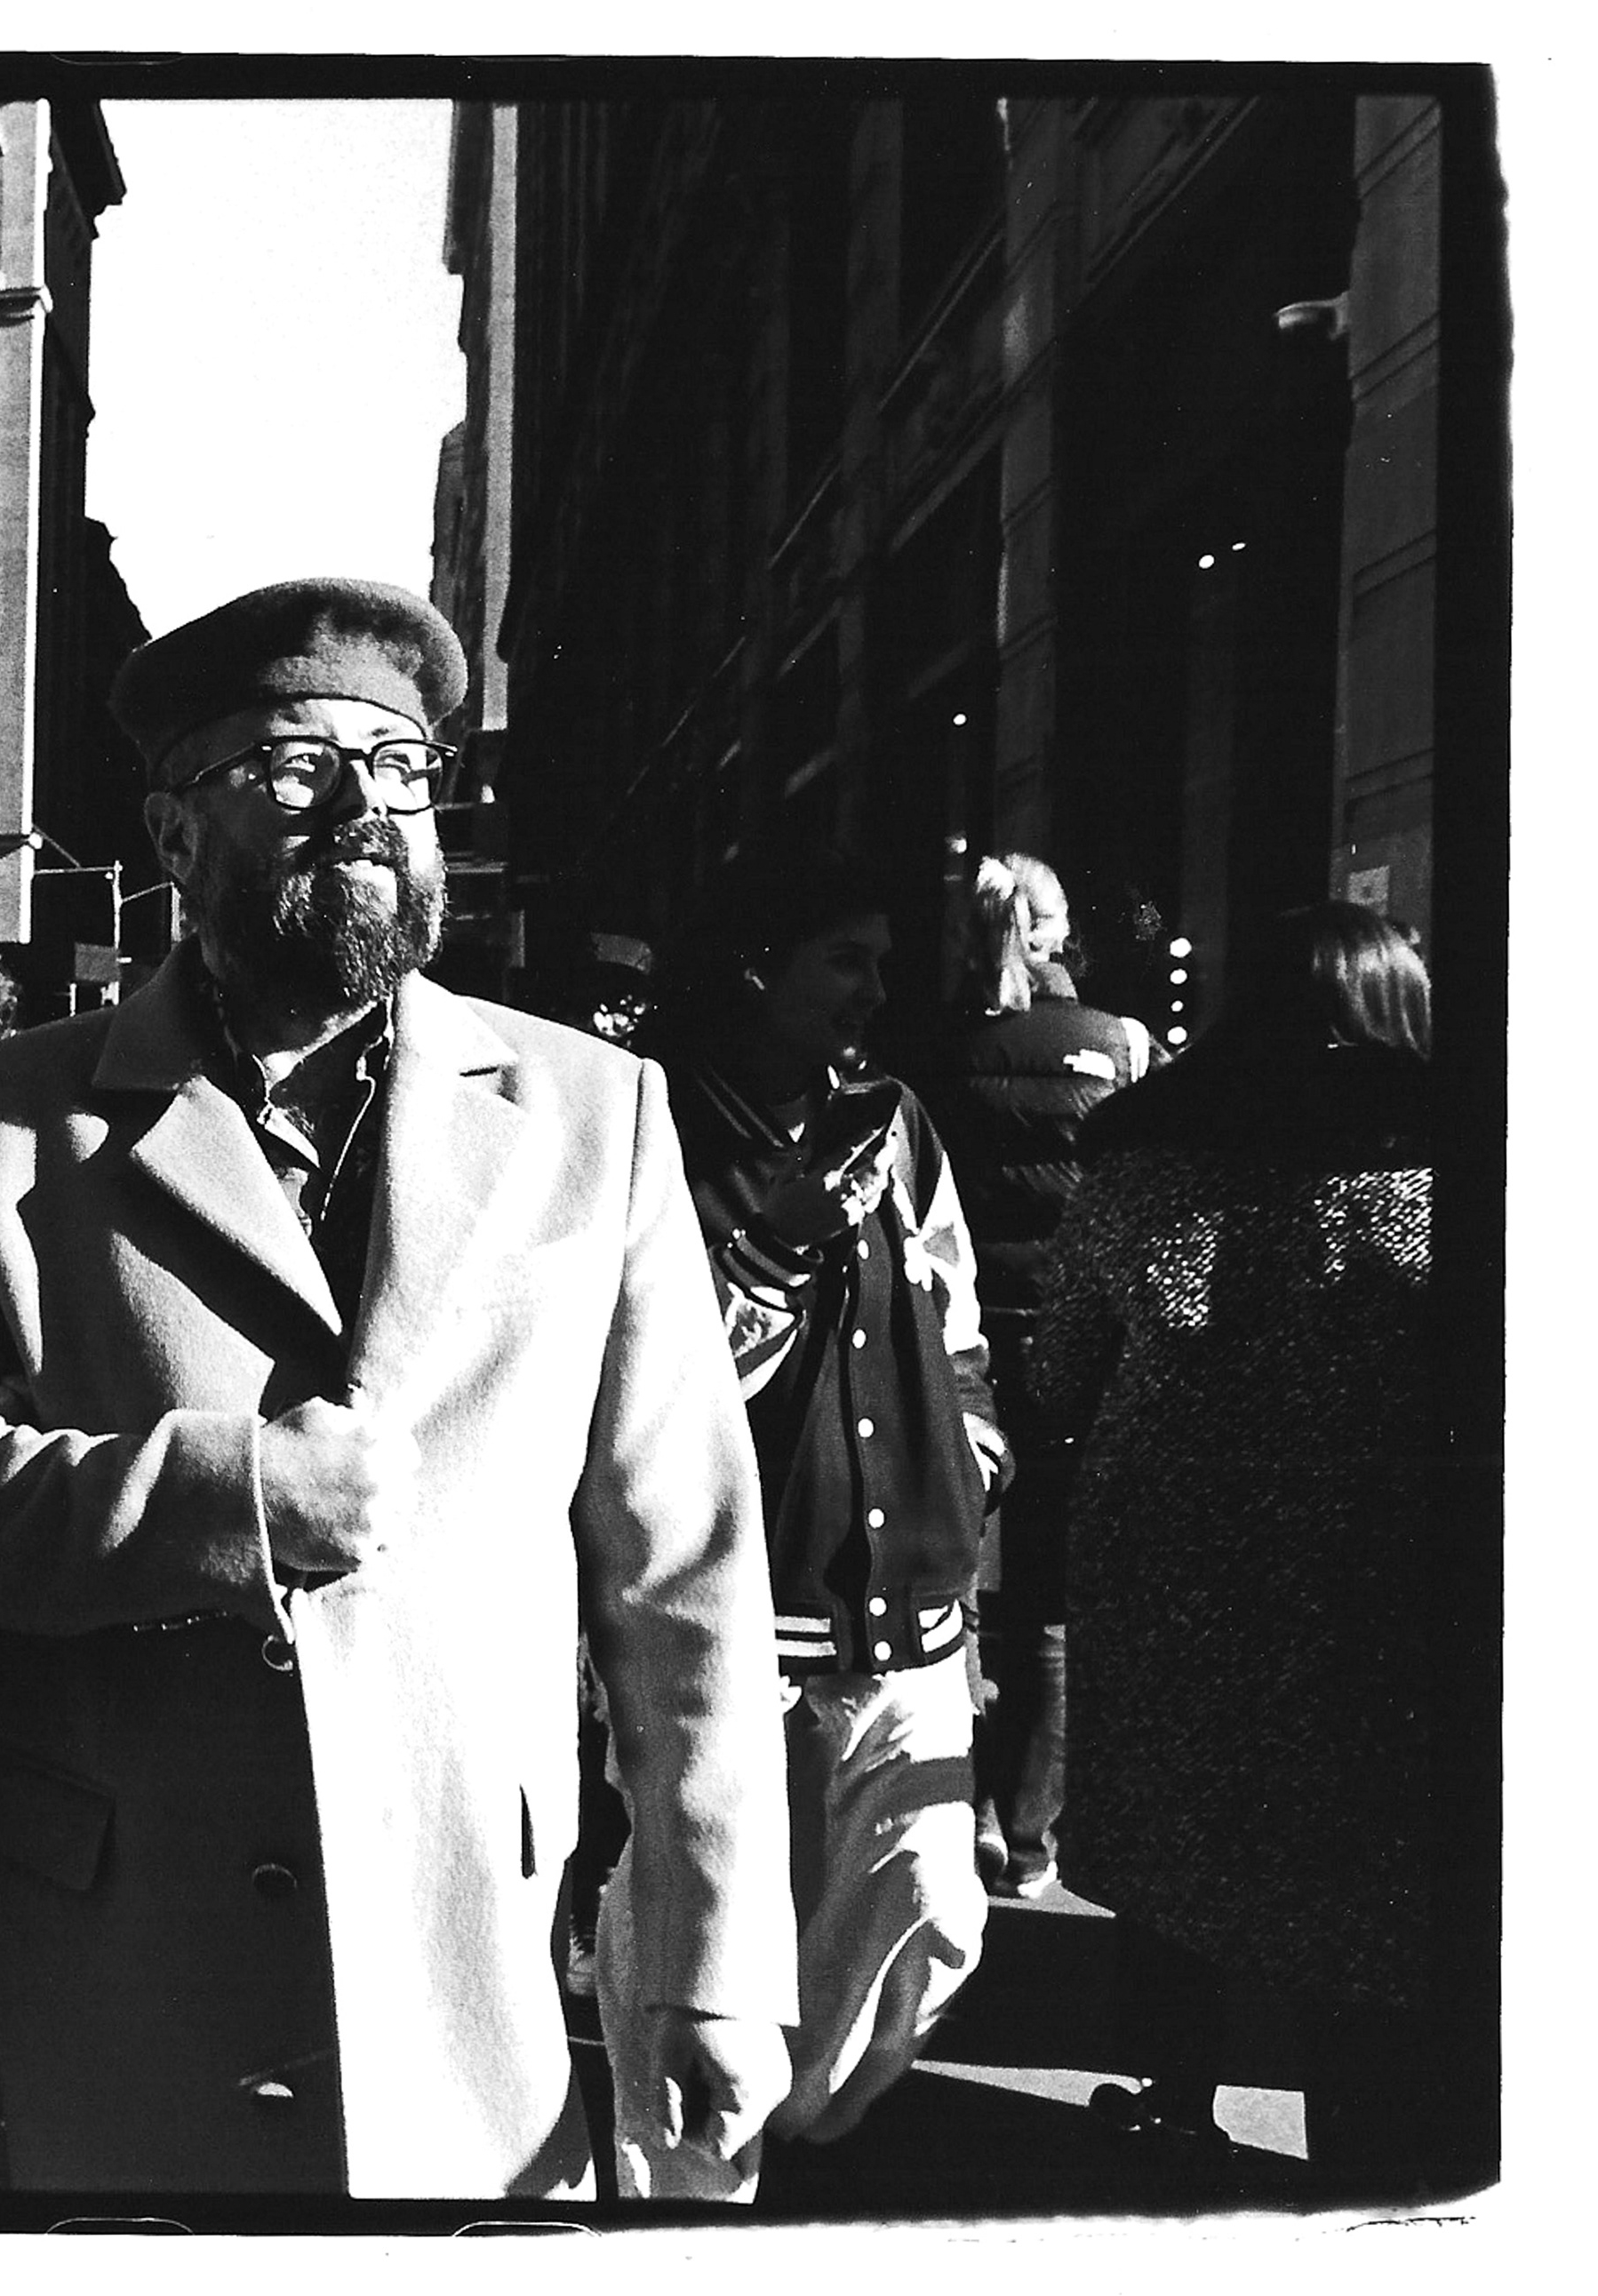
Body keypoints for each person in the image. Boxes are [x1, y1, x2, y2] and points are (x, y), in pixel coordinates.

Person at [0, 578, 795, 2198]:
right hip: (125, 1966)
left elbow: (686, 1574)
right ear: (170, 833)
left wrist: (717, 1957)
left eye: (401, 764)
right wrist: (224, 1496)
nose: (361, 806)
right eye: (292, 771)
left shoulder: (593, 1112)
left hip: (469, 1953)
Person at [1035, 903, 1471, 2193]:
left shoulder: (1142, 1150)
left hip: (1166, 1548)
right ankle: (1370, 2148)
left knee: (1182, 1838)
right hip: (1366, 1553)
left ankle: (1174, 2101)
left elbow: (1065, 1369)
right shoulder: (1442, 1153)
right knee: (1362, 1865)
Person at [626, 844, 1005, 2198]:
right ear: (755, 964)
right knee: (716, 1938)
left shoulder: (896, 1119)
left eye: (883, 963)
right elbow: (634, 1385)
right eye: (847, 959)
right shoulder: (648, 1121)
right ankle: (697, 2193)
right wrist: (772, 1254)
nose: (873, 990)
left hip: (912, 1602)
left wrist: (974, 1452)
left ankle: (798, 2129)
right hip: (741, 1612)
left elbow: (953, 1318)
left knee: (931, 1911)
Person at [912, 853, 1152, 1903]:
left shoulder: (926, 1053)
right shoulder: (1120, 1047)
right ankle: (1031, 1833)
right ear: (1056, 934)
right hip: (1072, 1348)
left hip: (950, 1351)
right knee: (1048, 1604)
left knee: (948, 1588)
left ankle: (954, 1813)